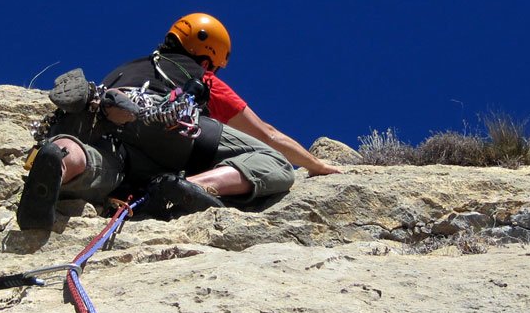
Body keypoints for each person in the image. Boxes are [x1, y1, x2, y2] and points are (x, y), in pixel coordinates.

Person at [17, 13, 341, 230]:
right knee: (275, 163)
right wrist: (317, 165)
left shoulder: (127, 68)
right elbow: (267, 134)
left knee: (94, 164)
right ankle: (189, 188)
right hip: (166, 126)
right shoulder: (197, 75)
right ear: (207, 55)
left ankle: (58, 160)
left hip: (110, 133)